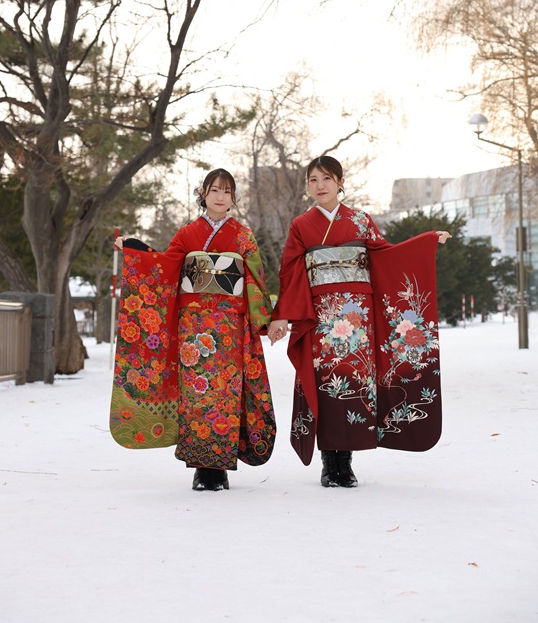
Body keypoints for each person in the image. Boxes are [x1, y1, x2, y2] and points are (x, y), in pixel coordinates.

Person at [268, 155, 451, 488]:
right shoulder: (301, 225)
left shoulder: (361, 220)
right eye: (313, 180)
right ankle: (329, 463)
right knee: (328, 384)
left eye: (326, 179)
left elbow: (386, 257)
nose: (320, 186)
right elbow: (291, 271)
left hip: (358, 316)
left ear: (340, 182)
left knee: (356, 384)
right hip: (322, 316)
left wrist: (424, 243)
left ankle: (347, 462)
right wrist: (281, 315)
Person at [110, 168, 276, 492]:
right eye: (214, 190)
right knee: (196, 394)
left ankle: (220, 467)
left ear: (234, 198)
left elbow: (255, 279)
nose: (220, 196)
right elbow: (165, 267)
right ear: (203, 193)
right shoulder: (187, 233)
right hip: (193, 325)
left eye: (227, 191)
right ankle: (202, 468)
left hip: (228, 326)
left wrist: (264, 320)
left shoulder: (243, 236)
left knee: (225, 394)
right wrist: (136, 248)